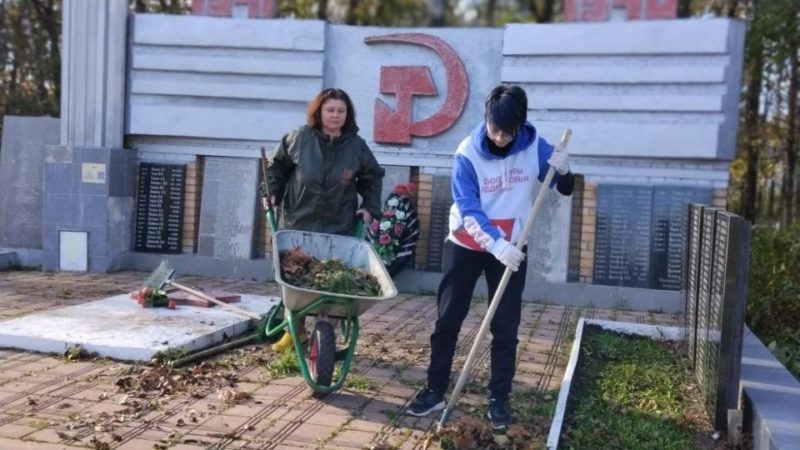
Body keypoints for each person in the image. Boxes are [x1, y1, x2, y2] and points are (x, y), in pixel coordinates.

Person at [405, 85, 574, 431]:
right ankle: (435, 390)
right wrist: (496, 246)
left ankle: (499, 399)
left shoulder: (533, 146)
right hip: (467, 244)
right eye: (494, 128)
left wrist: (565, 170)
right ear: (486, 119)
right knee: (448, 319)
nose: (499, 136)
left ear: (520, 125)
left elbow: (564, 188)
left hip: (513, 246)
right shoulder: (467, 153)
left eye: (507, 131)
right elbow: (469, 211)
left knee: (505, 327)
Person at [265, 87, 385, 352]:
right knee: (295, 280)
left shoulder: (355, 146)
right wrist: (272, 192)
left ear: (347, 114)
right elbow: (276, 168)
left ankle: (325, 331)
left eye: (341, 111)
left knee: (332, 282)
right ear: (318, 112)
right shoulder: (299, 138)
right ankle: (293, 331)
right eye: (330, 110)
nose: (335, 115)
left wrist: (369, 207)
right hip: (298, 222)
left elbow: (372, 177)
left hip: (338, 227)